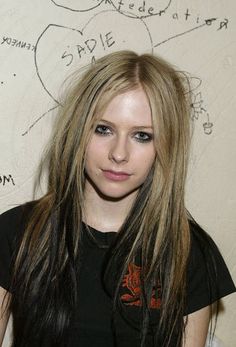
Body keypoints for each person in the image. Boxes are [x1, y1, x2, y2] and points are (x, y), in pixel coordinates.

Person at [0, 50, 235, 347]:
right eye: (103, 129)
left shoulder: (188, 251)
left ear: (166, 145)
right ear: (78, 132)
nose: (119, 153)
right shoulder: (17, 232)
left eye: (142, 136)